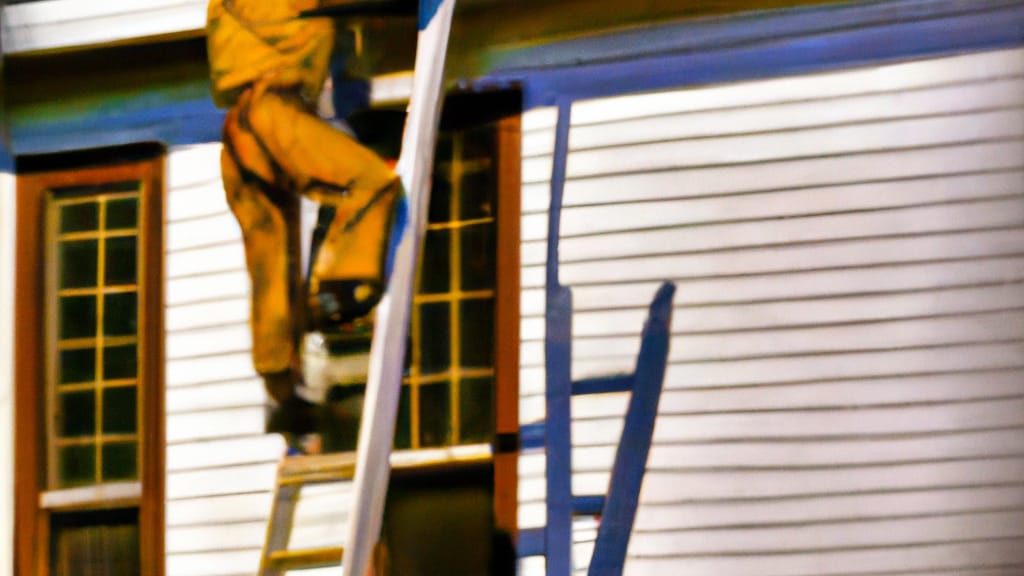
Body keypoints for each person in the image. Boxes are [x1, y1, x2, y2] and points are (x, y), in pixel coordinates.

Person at [207, 0, 403, 441]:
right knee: (371, 183)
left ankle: (282, 387)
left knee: (271, 259)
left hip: (240, 129)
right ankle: (336, 296)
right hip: (272, 112)